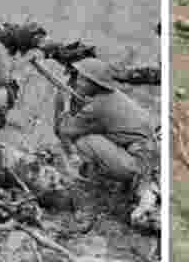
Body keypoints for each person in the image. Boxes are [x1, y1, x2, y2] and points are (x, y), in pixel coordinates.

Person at [54, 59, 158, 187]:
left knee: (84, 141)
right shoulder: (113, 96)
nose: (77, 83)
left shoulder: (97, 107)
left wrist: (62, 104)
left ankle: (89, 180)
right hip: (148, 156)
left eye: (82, 80)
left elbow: (64, 130)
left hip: (137, 166)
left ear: (95, 84)